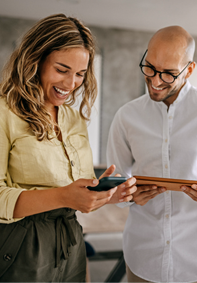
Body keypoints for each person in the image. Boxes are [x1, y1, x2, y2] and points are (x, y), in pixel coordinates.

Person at [106, 26, 197, 282]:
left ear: (189, 69)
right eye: (149, 67)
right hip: (143, 258)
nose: (156, 80)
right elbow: (116, 179)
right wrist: (127, 194)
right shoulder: (126, 116)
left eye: (169, 74)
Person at [0, 14, 137, 281]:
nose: (71, 84)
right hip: (20, 247)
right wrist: (62, 196)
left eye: (80, 74)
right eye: (61, 70)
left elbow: (76, 195)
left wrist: (107, 193)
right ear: (35, 61)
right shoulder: (5, 112)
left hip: (72, 242)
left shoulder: (74, 118)